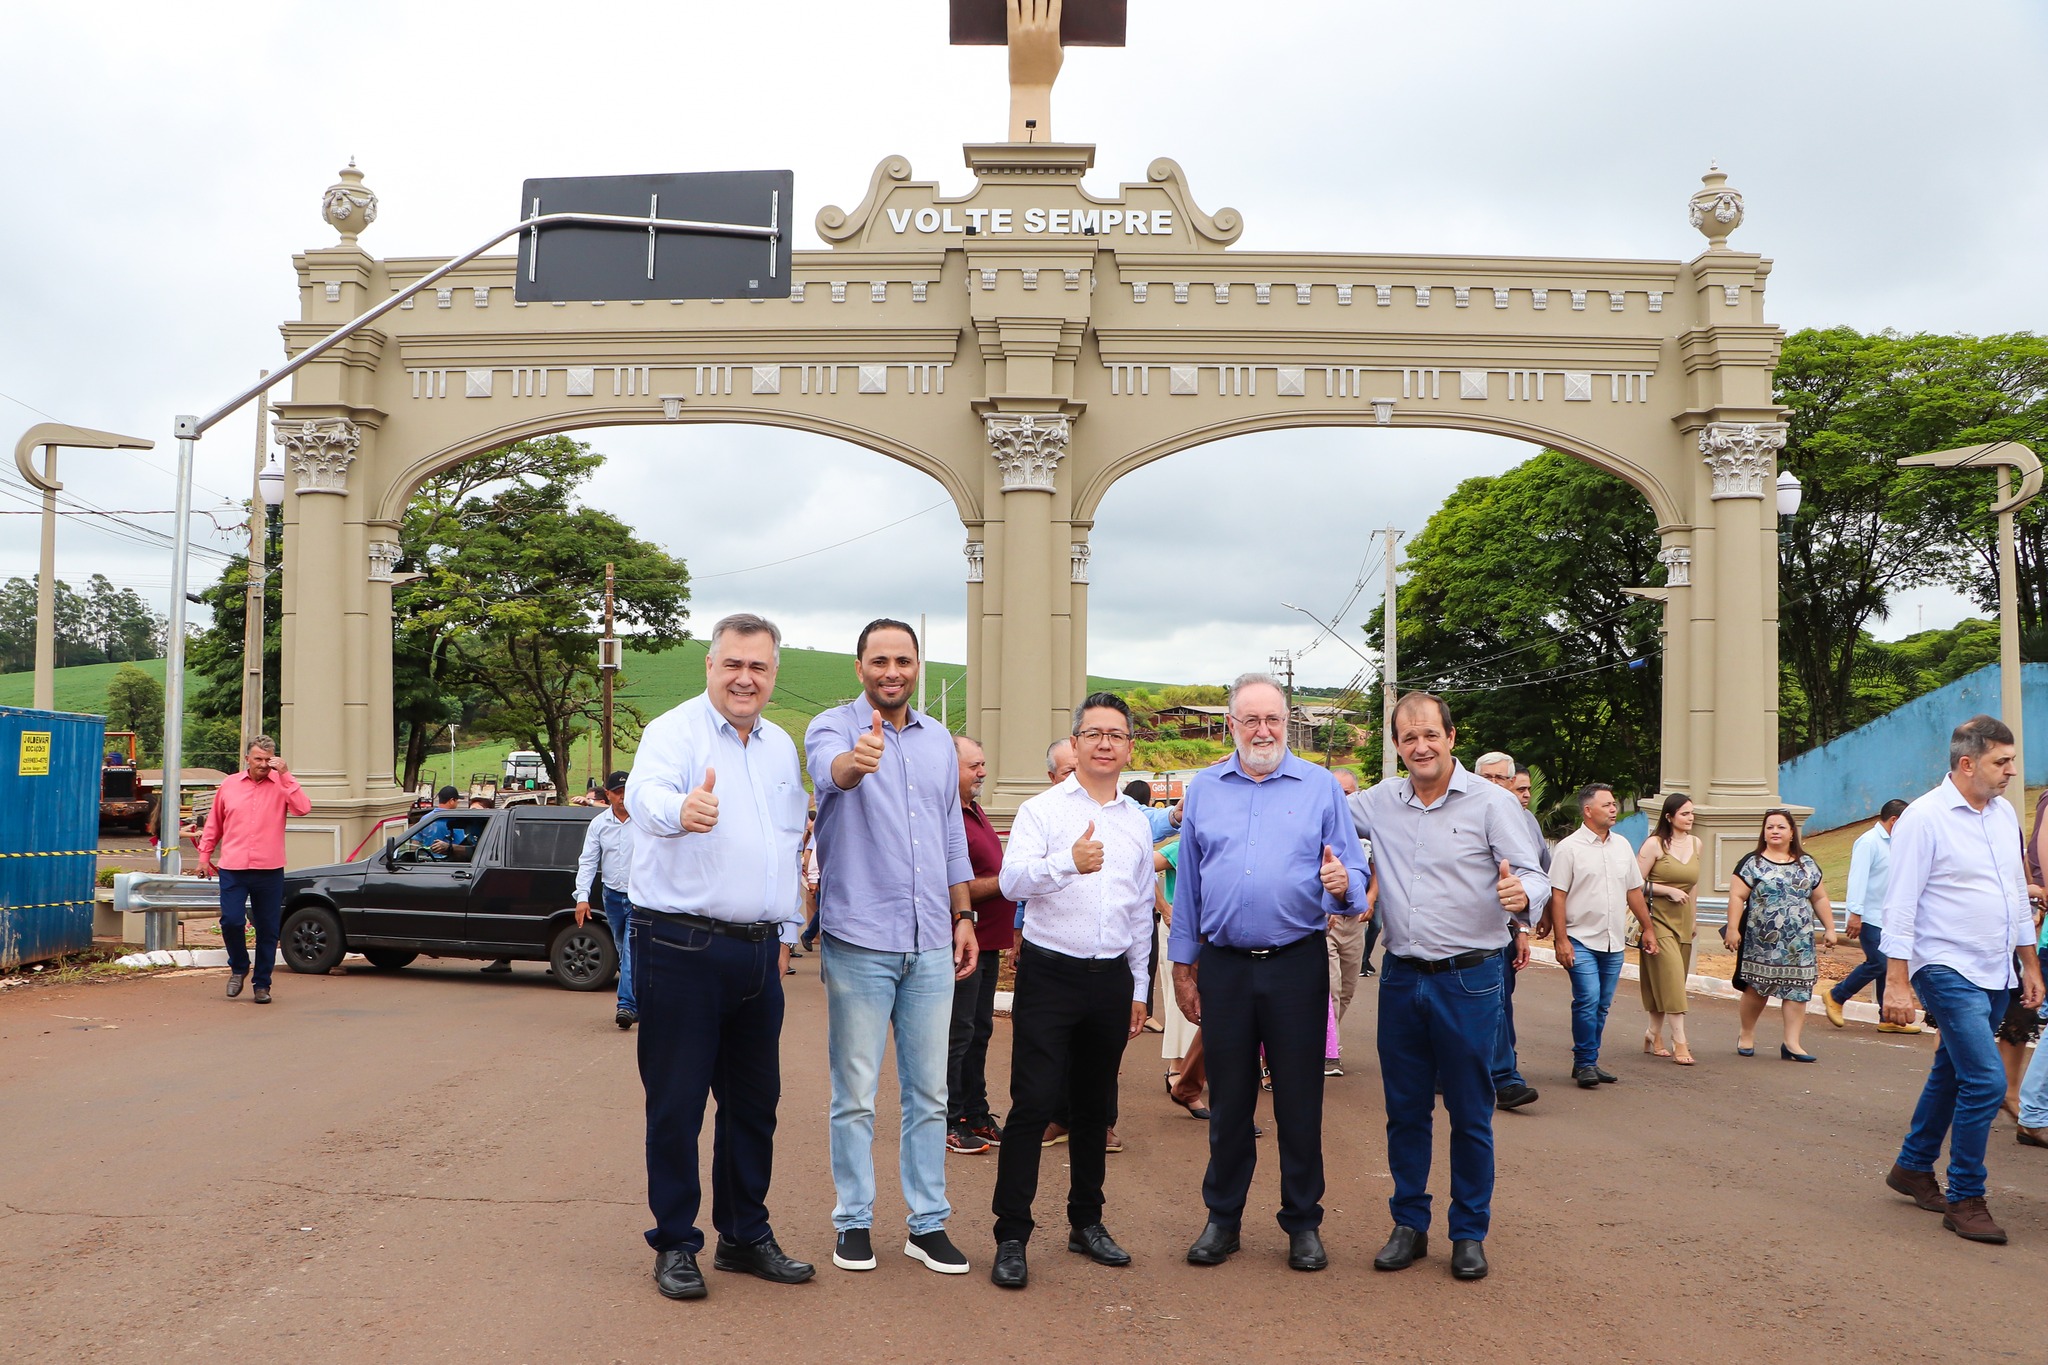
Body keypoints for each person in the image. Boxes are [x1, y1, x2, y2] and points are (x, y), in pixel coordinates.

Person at [623, 613, 813, 1301]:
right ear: (710, 665)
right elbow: (644, 796)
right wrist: (681, 810)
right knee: (677, 1105)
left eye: (758, 666)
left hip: (758, 954)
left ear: (773, 673)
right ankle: (676, 1242)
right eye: (733, 663)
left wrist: (786, 931)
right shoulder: (673, 732)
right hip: (680, 946)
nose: (744, 678)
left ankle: (743, 1234)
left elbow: (784, 843)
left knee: (755, 1105)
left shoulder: (779, 746)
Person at [1170, 673, 1370, 1274]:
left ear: (1288, 724)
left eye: (1274, 719)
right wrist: (1183, 966)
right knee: (1230, 1101)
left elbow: (1354, 874)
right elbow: (1191, 888)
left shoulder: (1320, 787)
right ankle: (1222, 1220)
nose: (1263, 731)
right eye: (1251, 720)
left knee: (1300, 1102)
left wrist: (1344, 885)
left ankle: (1303, 1223)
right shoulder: (1205, 789)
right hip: (1225, 966)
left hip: (1296, 964)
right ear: (1232, 725)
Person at [1351, 696, 1546, 1283]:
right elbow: (1315, 809)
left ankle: (1468, 1233)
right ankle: (1408, 1225)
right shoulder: (1379, 801)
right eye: (1408, 738)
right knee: (1405, 1110)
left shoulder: (1492, 802)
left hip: (1471, 979)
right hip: (1401, 975)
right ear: (1396, 745)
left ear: (1451, 737)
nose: (1421, 746)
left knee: (1470, 1111)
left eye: (1430, 734)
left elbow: (1532, 871)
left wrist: (1523, 896)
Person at [806, 618, 978, 1277]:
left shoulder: (939, 742)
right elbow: (832, 774)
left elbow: (951, 834)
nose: (892, 671)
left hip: (931, 939)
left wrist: (963, 913)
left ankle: (927, 1225)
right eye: (879, 660)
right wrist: (857, 761)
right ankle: (853, 1222)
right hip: (859, 938)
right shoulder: (832, 727)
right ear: (859, 667)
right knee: (854, 1093)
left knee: (929, 1093)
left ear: (917, 666)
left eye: (903, 660)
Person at [989, 693, 1155, 1288]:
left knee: (1093, 1108)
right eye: (1094, 733)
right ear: (1077, 743)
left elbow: (1140, 909)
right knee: (1033, 1104)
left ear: (1129, 747)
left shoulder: (1137, 821)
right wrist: (1066, 862)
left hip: (1110, 979)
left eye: (1116, 735)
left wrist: (1139, 987)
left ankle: (1087, 1222)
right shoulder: (1042, 811)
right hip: (1050, 974)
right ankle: (1012, 1234)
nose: (1105, 744)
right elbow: (1011, 881)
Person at [1880, 715, 2045, 1245]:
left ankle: (1912, 1167)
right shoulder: (1924, 818)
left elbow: (2015, 893)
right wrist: (1897, 981)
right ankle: (1966, 1197)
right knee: (1987, 1080)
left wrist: (2029, 964)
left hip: (1995, 966)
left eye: (2012, 760)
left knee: (1952, 1070)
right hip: (1944, 965)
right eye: (2002, 761)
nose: (2012, 771)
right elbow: (1900, 903)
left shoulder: (2002, 814)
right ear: (1967, 763)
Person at [1547, 784, 1658, 1088]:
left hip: (1613, 941)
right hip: (1579, 938)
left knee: (1602, 1005)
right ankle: (1585, 1062)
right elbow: (1558, 896)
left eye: (1613, 804)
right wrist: (1561, 939)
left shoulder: (1622, 845)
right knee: (1588, 999)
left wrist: (1648, 928)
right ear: (1588, 810)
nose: (1613, 809)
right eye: (1606, 804)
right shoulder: (1568, 848)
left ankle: (1588, 1060)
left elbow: (1633, 891)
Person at [195, 735, 310, 1005]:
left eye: (268, 759)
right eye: (258, 759)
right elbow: (214, 824)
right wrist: (204, 856)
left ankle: (262, 984)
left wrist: (286, 775)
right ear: (247, 758)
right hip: (233, 867)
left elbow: (303, 809)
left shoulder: (282, 784)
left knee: (267, 929)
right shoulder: (229, 785)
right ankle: (238, 966)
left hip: (269, 869)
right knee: (231, 921)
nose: (263, 764)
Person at [1722, 810, 1834, 1061]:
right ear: (1763, 832)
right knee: (1757, 987)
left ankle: (1792, 1043)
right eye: (1770, 827)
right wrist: (1732, 928)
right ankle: (1746, 1034)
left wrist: (1830, 928)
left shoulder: (1807, 864)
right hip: (1762, 941)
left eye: (1781, 827)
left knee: (1798, 989)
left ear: (1792, 832)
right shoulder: (1752, 863)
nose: (1774, 831)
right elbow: (1737, 897)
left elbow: (1819, 897)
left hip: (1799, 942)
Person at [947, 735, 1010, 1156]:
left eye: (983, 764)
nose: (982, 772)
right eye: (974, 766)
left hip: (988, 942)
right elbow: (954, 885)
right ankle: (949, 1120)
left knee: (979, 1031)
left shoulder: (973, 808)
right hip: (961, 941)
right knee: (958, 1033)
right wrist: (1009, 881)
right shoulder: (947, 815)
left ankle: (975, 1111)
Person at [1473, 752, 1546, 1110]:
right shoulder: (1463, 813)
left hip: (1502, 929)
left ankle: (1504, 1075)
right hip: (1460, 930)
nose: (1493, 785)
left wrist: (1524, 929)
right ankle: (1498, 1076)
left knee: (1500, 1004)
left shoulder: (1525, 821)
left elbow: (1534, 875)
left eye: (1500, 778)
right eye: (1486, 778)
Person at [1824, 800, 1915, 1033]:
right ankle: (1836, 995)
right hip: (1869, 916)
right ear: (1894, 820)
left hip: (1889, 917)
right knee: (1879, 962)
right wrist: (1855, 913)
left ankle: (1888, 1017)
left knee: (1888, 965)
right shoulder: (1868, 842)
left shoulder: (1898, 843)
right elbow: (1858, 878)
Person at [1636, 793, 1701, 1065]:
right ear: (1669, 816)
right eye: (1684, 813)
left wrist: (1694, 918)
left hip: (1683, 921)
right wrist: (1667, 890)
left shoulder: (1696, 843)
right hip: (1656, 920)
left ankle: (1652, 1033)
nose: (1690, 818)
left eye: (1692, 813)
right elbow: (1634, 883)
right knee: (1673, 978)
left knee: (1669, 980)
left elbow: (1693, 885)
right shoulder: (1654, 845)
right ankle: (1680, 1041)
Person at [574, 770, 638, 1030]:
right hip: (611, 895)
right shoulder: (599, 824)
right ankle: (637, 999)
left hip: (639, 897)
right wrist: (582, 897)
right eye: (618, 792)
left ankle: (626, 1005)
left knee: (632, 949)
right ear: (608, 794)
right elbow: (588, 861)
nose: (623, 797)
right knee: (622, 948)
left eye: (626, 792)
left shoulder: (644, 821)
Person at [1326, 769, 1377, 1069]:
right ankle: (1328, 1051)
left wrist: (1370, 899)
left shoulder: (1368, 829)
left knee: (1347, 989)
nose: (1342, 799)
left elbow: (1380, 866)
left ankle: (1327, 1037)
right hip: (1328, 921)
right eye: (1336, 792)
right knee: (1330, 988)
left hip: (1356, 921)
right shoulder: (1321, 825)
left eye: (1347, 793)